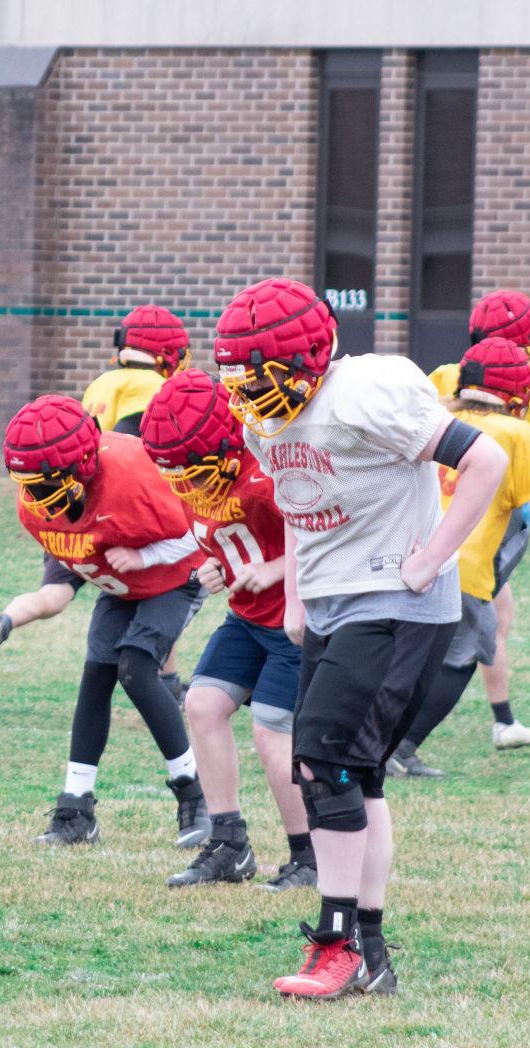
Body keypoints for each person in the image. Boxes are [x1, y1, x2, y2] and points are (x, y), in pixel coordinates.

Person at [213, 277, 504, 1001]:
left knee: (323, 761)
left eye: (259, 376)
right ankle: (370, 953)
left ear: (303, 361)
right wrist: (297, 595)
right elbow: (302, 509)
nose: (249, 393)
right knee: (356, 774)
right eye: (241, 378)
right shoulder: (268, 421)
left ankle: (336, 942)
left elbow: (485, 460)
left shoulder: (367, 391)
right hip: (331, 602)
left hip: (396, 602)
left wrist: (432, 558)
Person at [3, 394, 212, 849]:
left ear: (80, 466)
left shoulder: (135, 473)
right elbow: (75, 561)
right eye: (29, 482)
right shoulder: (39, 505)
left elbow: (198, 529)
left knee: (136, 667)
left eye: (45, 481)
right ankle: (76, 808)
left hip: (179, 571)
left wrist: (144, 556)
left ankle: (196, 794)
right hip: (123, 580)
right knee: (97, 672)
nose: (36, 495)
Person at [140, 369, 315, 891]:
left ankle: (309, 856)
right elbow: (217, 538)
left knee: (272, 730)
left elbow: (322, 531)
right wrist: (214, 566)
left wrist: (277, 569)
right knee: (202, 704)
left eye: (194, 471)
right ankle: (229, 845)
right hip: (247, 615)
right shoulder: (191, 476)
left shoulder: (270, 466)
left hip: (295, 620)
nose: (187, 486)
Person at [0, 305, 192, 694]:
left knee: (55, 594)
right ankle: (167, 682)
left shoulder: (101, 383)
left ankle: (6, 620)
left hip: (62, 506)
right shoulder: (154, 387)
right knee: (162, 589)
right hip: (114, 506)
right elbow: (131, 449)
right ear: (167, 353)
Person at [388, 338, 530, 778]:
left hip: (401, 553)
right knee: (468, 651)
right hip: (460, 565)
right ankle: (398, 748)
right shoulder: (519, 434)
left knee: (396, 654)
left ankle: (372, 743)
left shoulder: (436, 416)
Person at [430, 290, 530, 751]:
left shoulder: (447, 376)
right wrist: (516, 450)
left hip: (437, 504)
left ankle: (504, 718)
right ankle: (486, 722)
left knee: (488, 614)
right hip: (495, 514)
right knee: (483, 620)